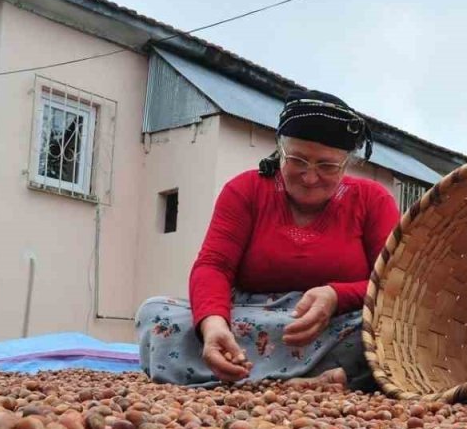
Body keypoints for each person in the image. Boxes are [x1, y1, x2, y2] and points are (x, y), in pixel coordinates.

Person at [136, 89, 402, 390]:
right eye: (298, 160)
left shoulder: (373, 200)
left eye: (326, 166)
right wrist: (213, 326)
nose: (310, 177)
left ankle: (245, 378)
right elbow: (213, 266)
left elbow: (391, 284)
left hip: (334, 323)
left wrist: (336, 297)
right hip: (250, 316)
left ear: (346, 164)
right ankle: (334, 378)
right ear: (280, 152)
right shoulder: (245, 190)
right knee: (156, 314)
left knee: (389, 332)